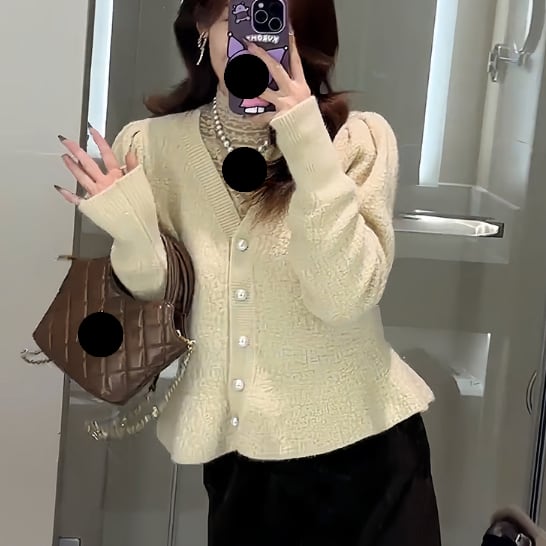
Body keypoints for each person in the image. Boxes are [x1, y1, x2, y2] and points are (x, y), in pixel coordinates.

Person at [55, 0, 440, 544]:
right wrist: (133, 232)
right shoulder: (152, 147)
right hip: (242, 466)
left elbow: (343, 297)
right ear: (202, 27)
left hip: (370, 454)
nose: (255, 42)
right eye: (235, 18)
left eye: (272, 21)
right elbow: (157, 300)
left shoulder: (356, 140)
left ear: (302, 34)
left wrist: (305, 139)